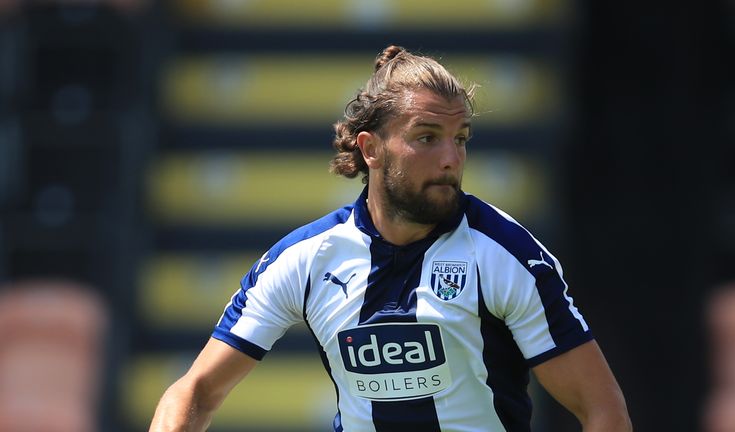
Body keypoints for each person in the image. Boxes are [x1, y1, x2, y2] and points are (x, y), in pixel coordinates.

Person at [149, 45, 632, 432]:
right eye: (427, 137)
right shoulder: (306, 259)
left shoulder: (507, 256)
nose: (451, 158)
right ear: (371, 149)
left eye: (460, 138)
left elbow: (603, 412)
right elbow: (193, 393)